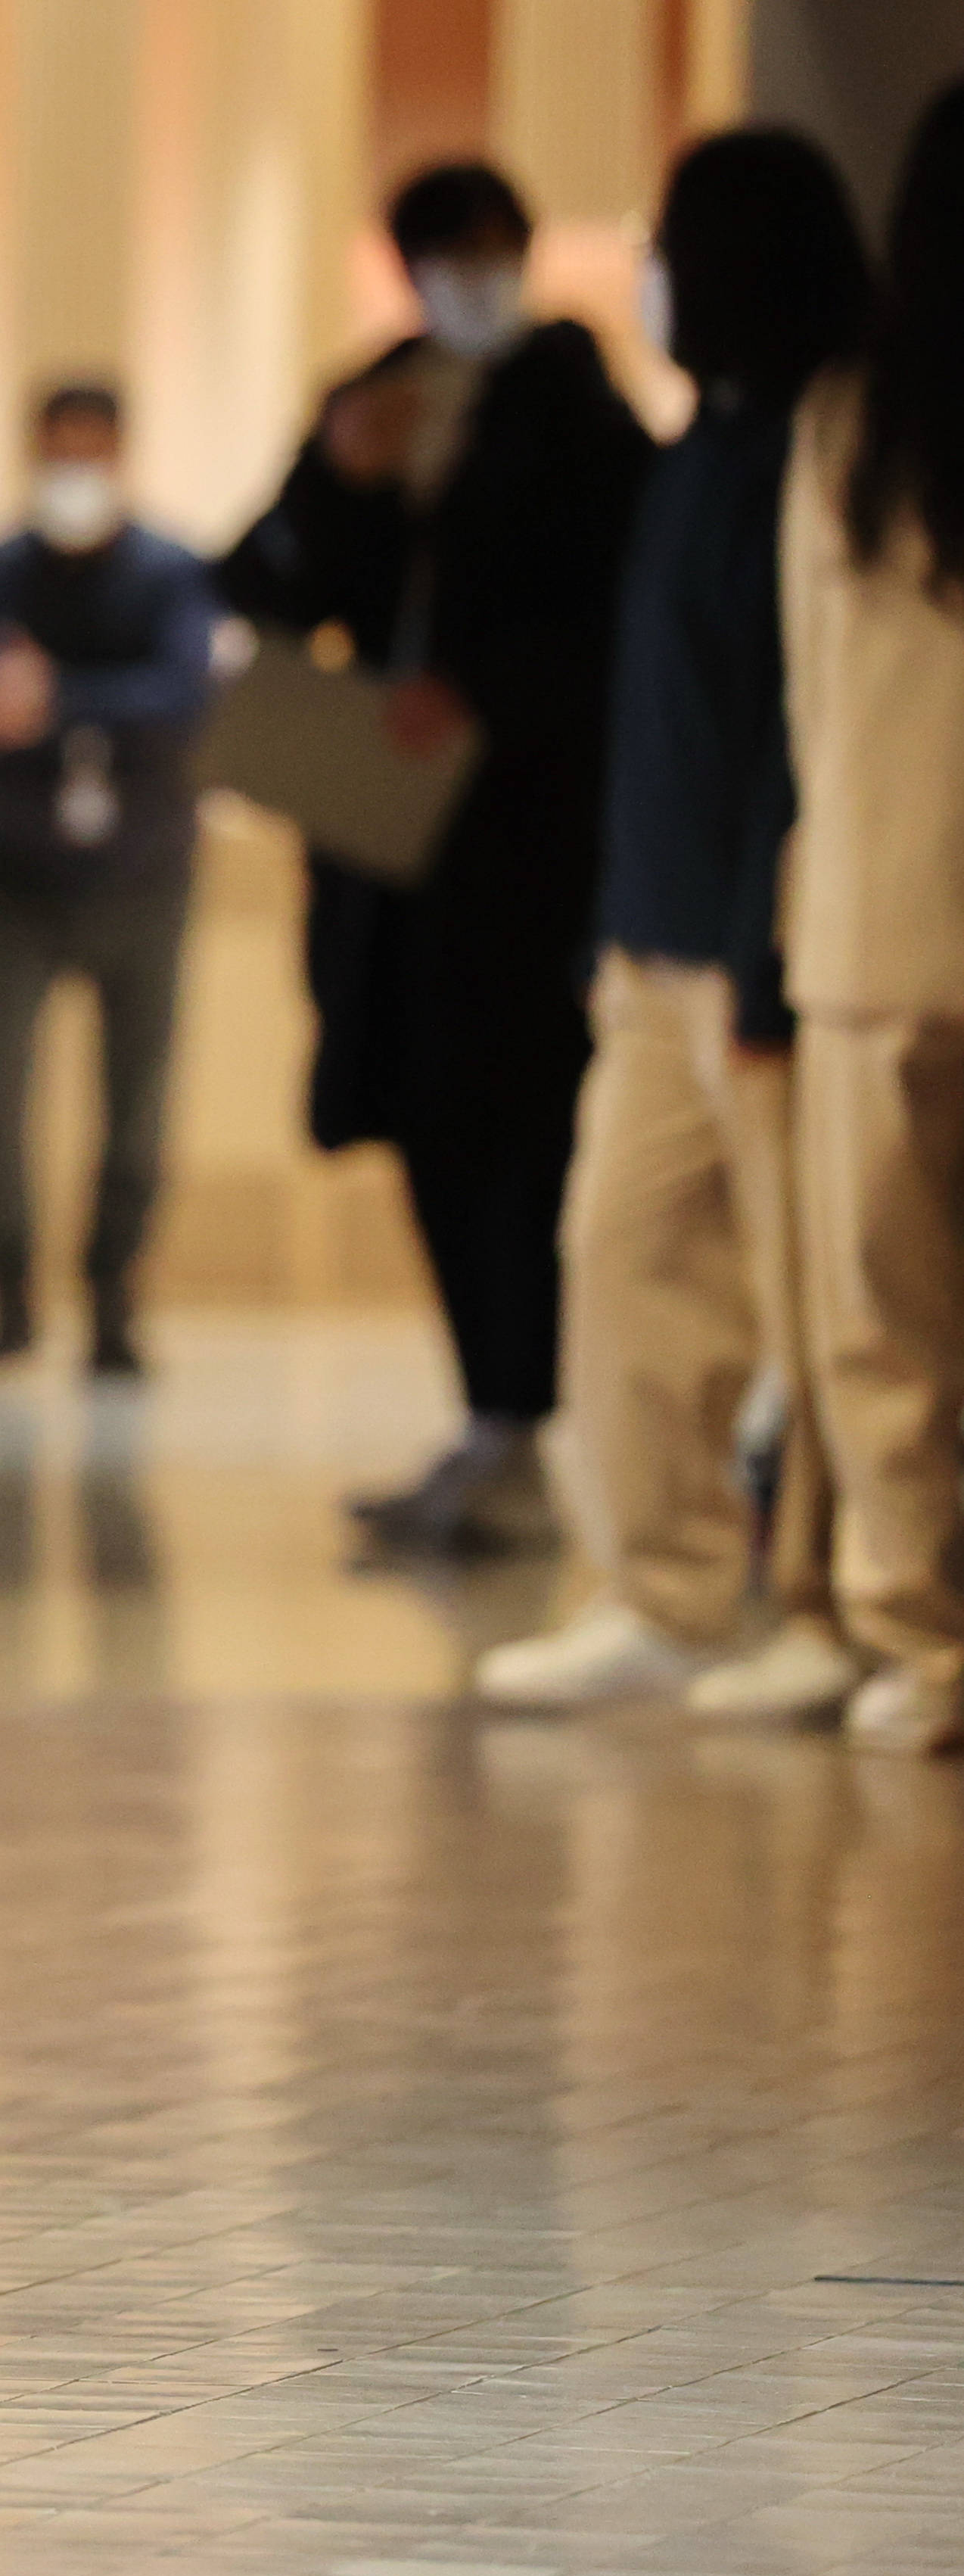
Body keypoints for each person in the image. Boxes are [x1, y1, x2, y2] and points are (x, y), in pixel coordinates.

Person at [477, 132, 875, 1718]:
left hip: (759, 949)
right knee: (624, 1259)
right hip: (650, 944)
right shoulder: (692, 451)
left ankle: (833, 1603)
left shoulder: (820, 454)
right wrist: (617, 932)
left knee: (817, 1299)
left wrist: (759, 952)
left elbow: (802, 732)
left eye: (665, 245)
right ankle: (666, 1582)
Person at [221, 163, 654, 1554]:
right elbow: (259, 580)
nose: (471, 280)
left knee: (523, 1127)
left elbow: (609, 615)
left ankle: (536, 1420)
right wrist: (341, 481)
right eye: (445, 257)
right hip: (386, 842)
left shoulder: (573, 406)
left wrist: (483, 692)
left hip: (526, 843)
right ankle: (489, 1416)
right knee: (423, 1121)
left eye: (489, 251)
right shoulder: (376, 396)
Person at [782, 79, 964, 1755]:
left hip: (872, 924)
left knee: (885, 1320)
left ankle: (923, 1636)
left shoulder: (850, 426)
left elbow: (809, 690)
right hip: (888, 914)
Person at [0, 382, 225, 1376]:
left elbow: (185, 693)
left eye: (90, 452)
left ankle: (114, 1293)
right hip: (24, 876)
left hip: (145, 874)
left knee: (137, 1103)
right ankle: (9, 1291)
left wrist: (66, 695)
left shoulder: (172, 573)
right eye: (56, 452)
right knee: (2, 1092)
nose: (73, 473)